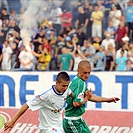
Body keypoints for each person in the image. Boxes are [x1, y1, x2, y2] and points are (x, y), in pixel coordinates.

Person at [4, 71, 74, 133]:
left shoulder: (66, 91)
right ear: (56, 83)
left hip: (59, 126)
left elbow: (71, 94)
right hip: (47, 128)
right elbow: (27, 104)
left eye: (67, 86)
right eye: (63, 86)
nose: (65, 88)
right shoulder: (46, 94)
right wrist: (12, 121)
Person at [63, 60, 120, 133]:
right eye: (84, 72)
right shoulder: (80, 83)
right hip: (72, 121)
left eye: (89, 73)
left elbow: (91, 97)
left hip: (78, 119)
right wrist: (86, 99)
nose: (87, 75)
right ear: (78, 71)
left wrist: (108, 100)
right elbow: (76, 103)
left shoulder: (78, 81)